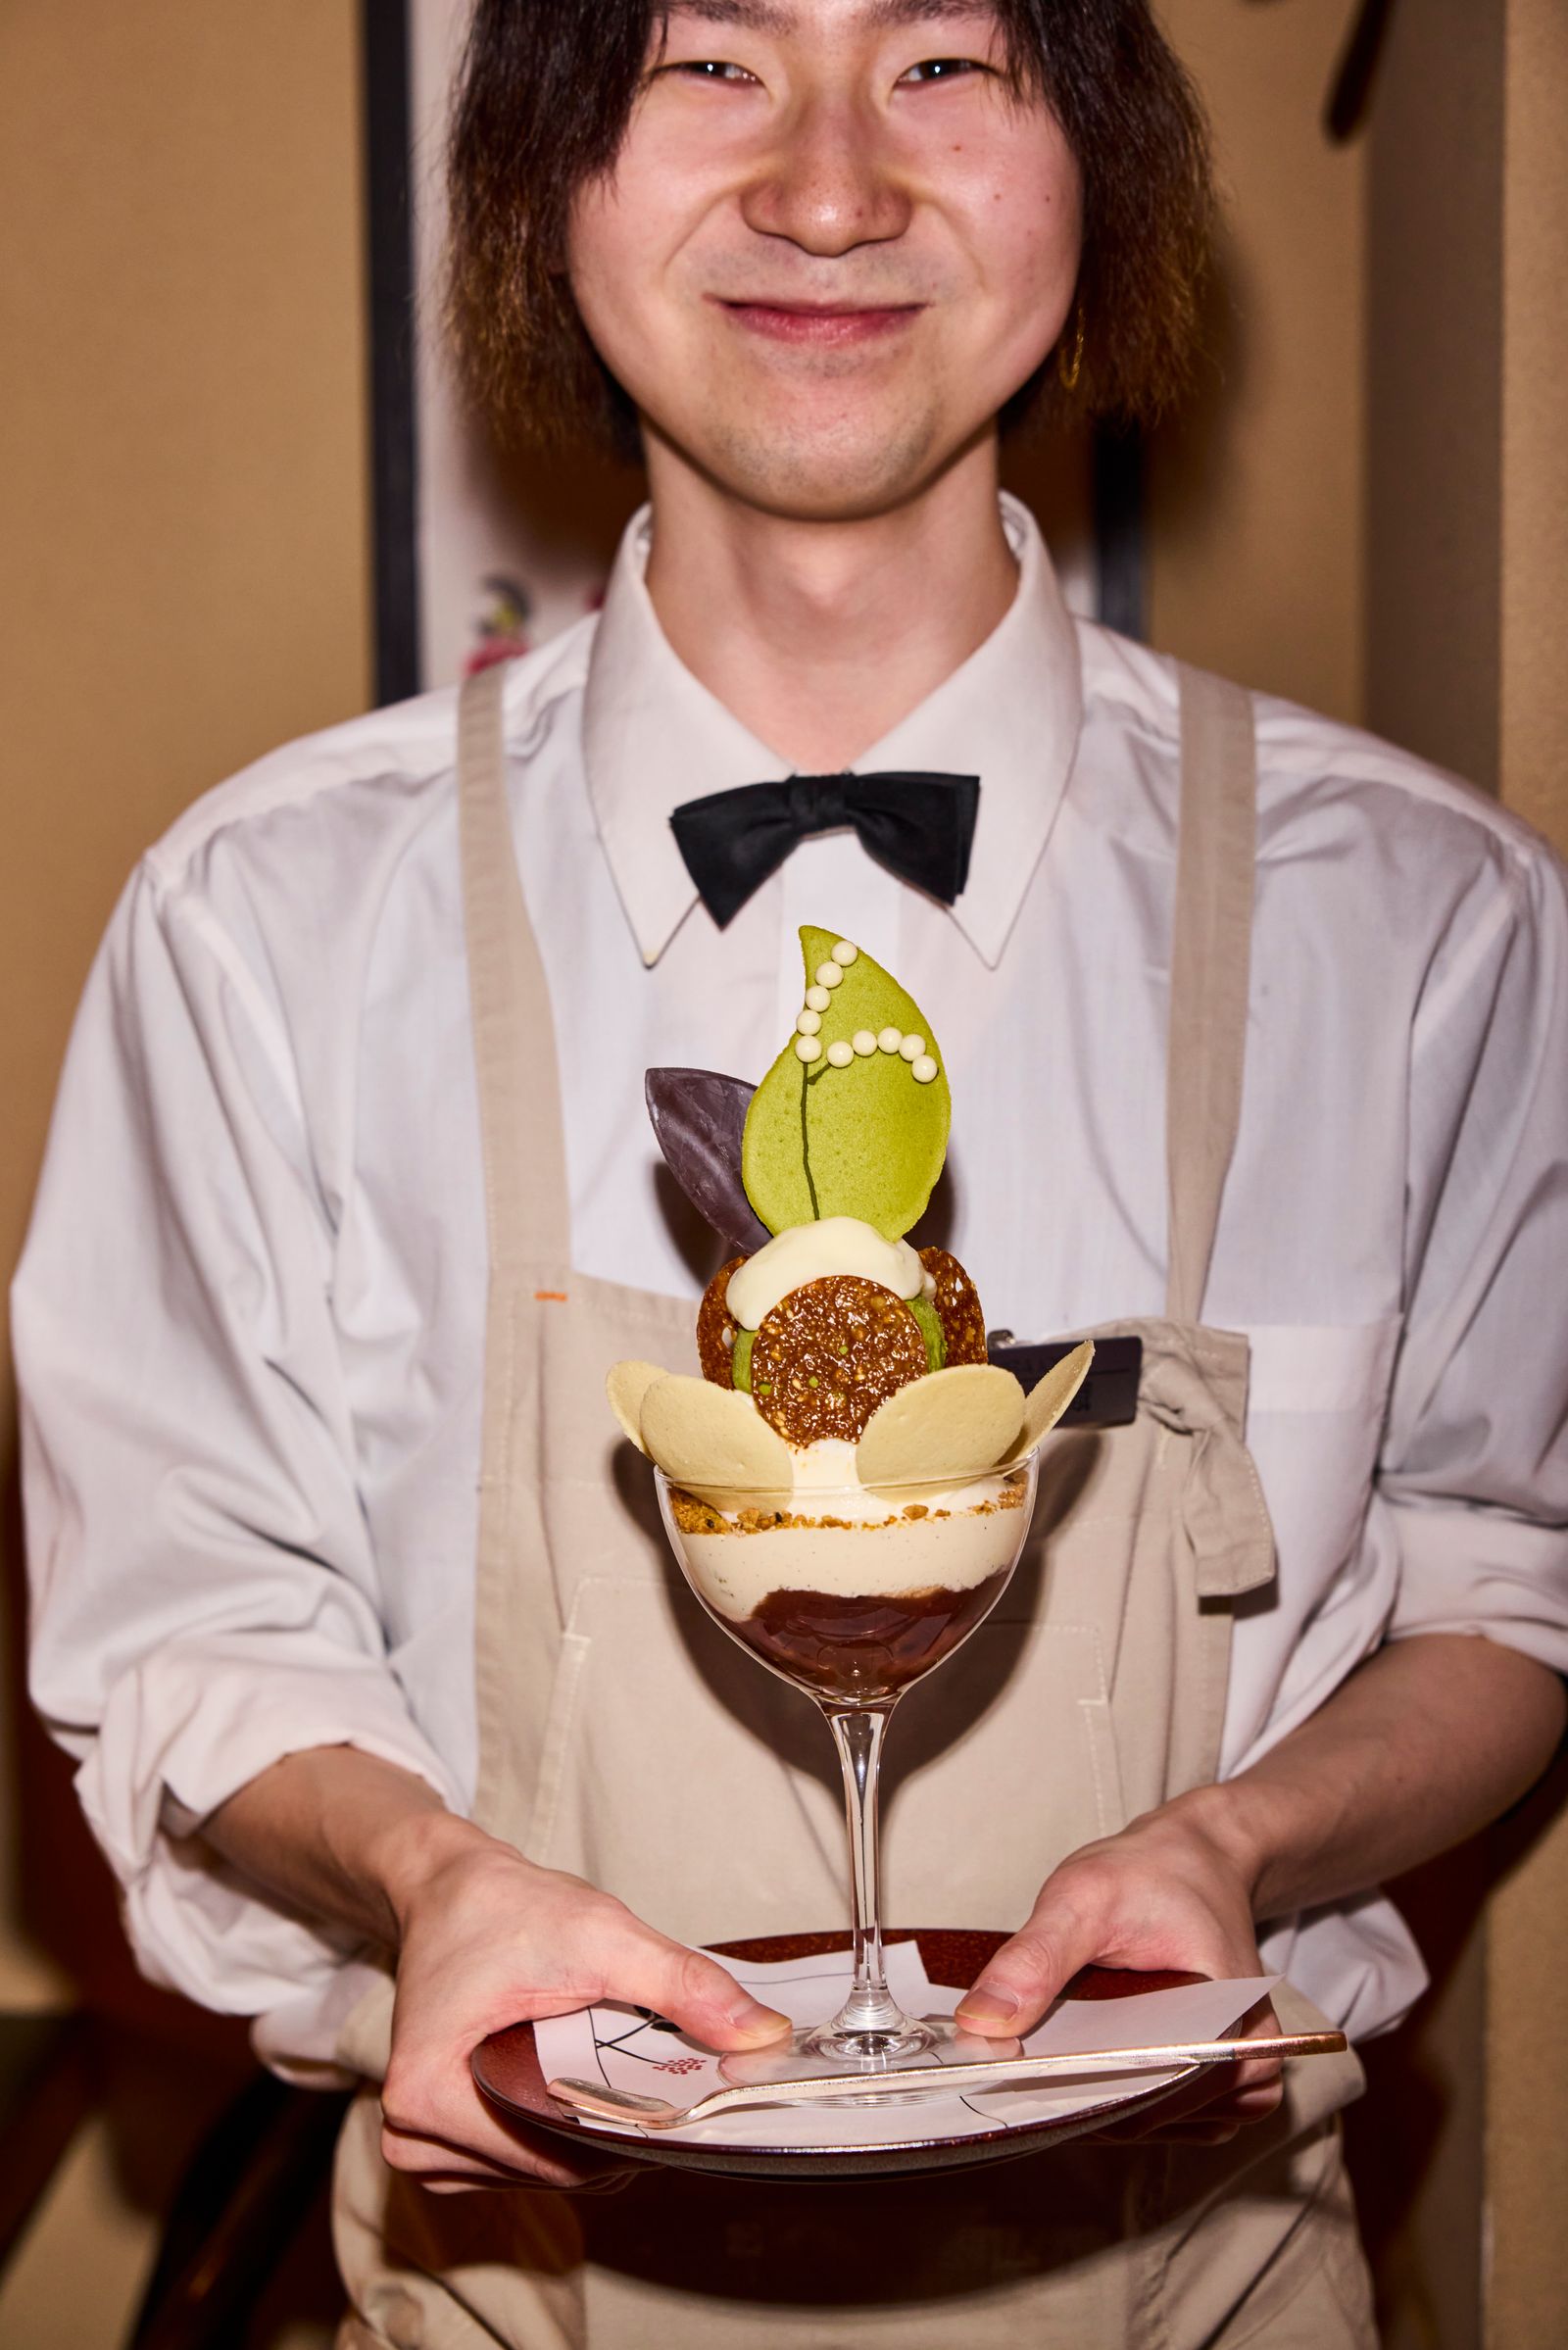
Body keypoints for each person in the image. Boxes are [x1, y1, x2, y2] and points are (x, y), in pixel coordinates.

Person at [16, 1, 1568, 2342]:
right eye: (706, 64)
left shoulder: (1425, 919)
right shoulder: (261, 924)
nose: (829, 188)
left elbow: (1499, 1577)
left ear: (1105, 169)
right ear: (546, 182)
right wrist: (428, 1872)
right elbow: (177, 1627)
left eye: (945, 63)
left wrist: (1243, 1835)